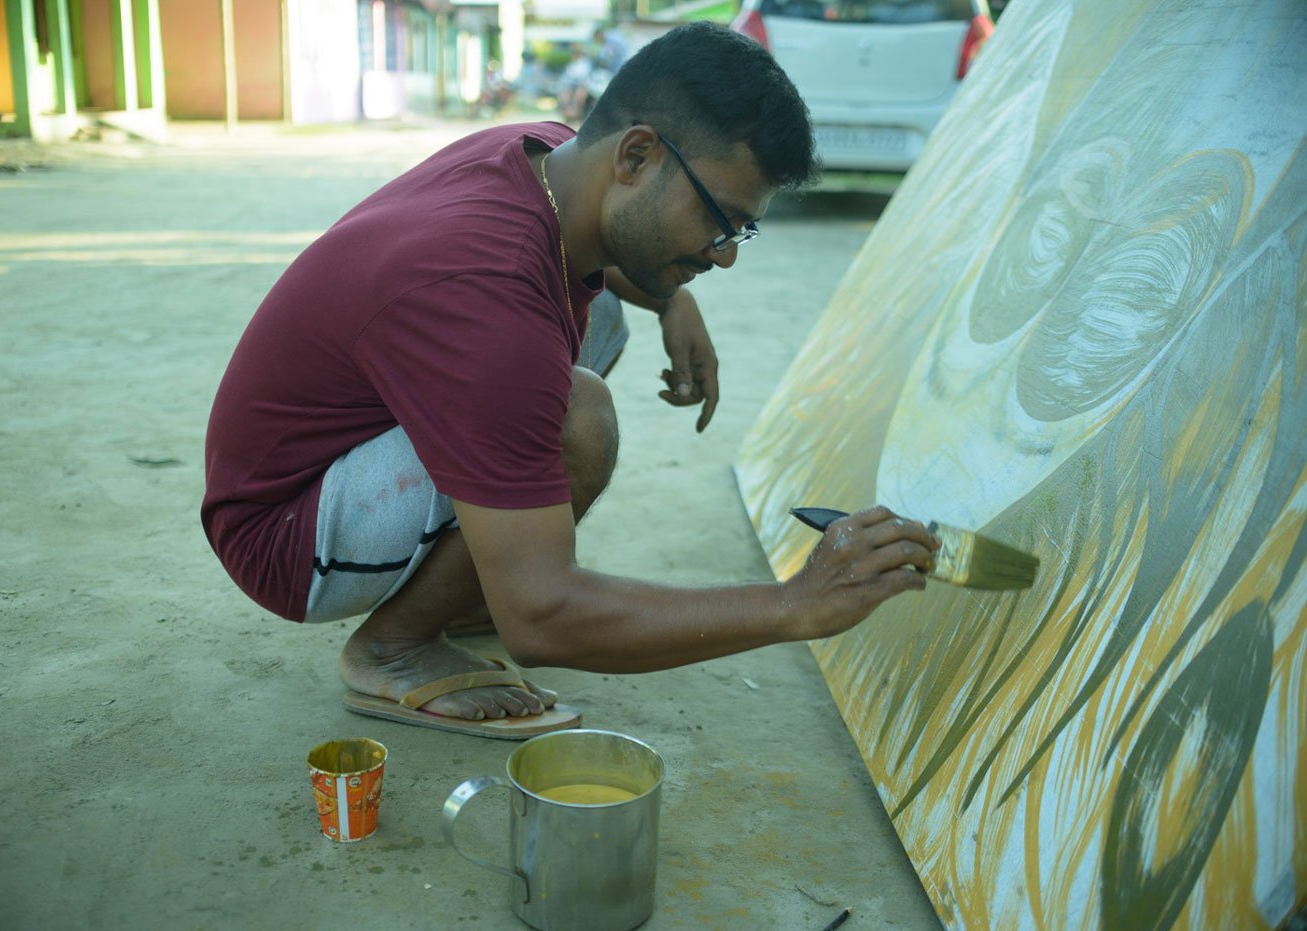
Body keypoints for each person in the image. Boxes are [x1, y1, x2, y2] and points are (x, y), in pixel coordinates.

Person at [201, 23, 939, 737]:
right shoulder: (487, 298)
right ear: (637, 155)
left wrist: (672, 296)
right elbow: (542, 616)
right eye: (720, 221)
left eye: (738, 233)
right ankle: (392, 647)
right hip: (283, 531)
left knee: (601, 313)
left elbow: (601, 252)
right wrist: (797, 605)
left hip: (340, 454)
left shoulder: (550, 154)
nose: (724, 257)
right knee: (578, 412)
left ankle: (463, 584)